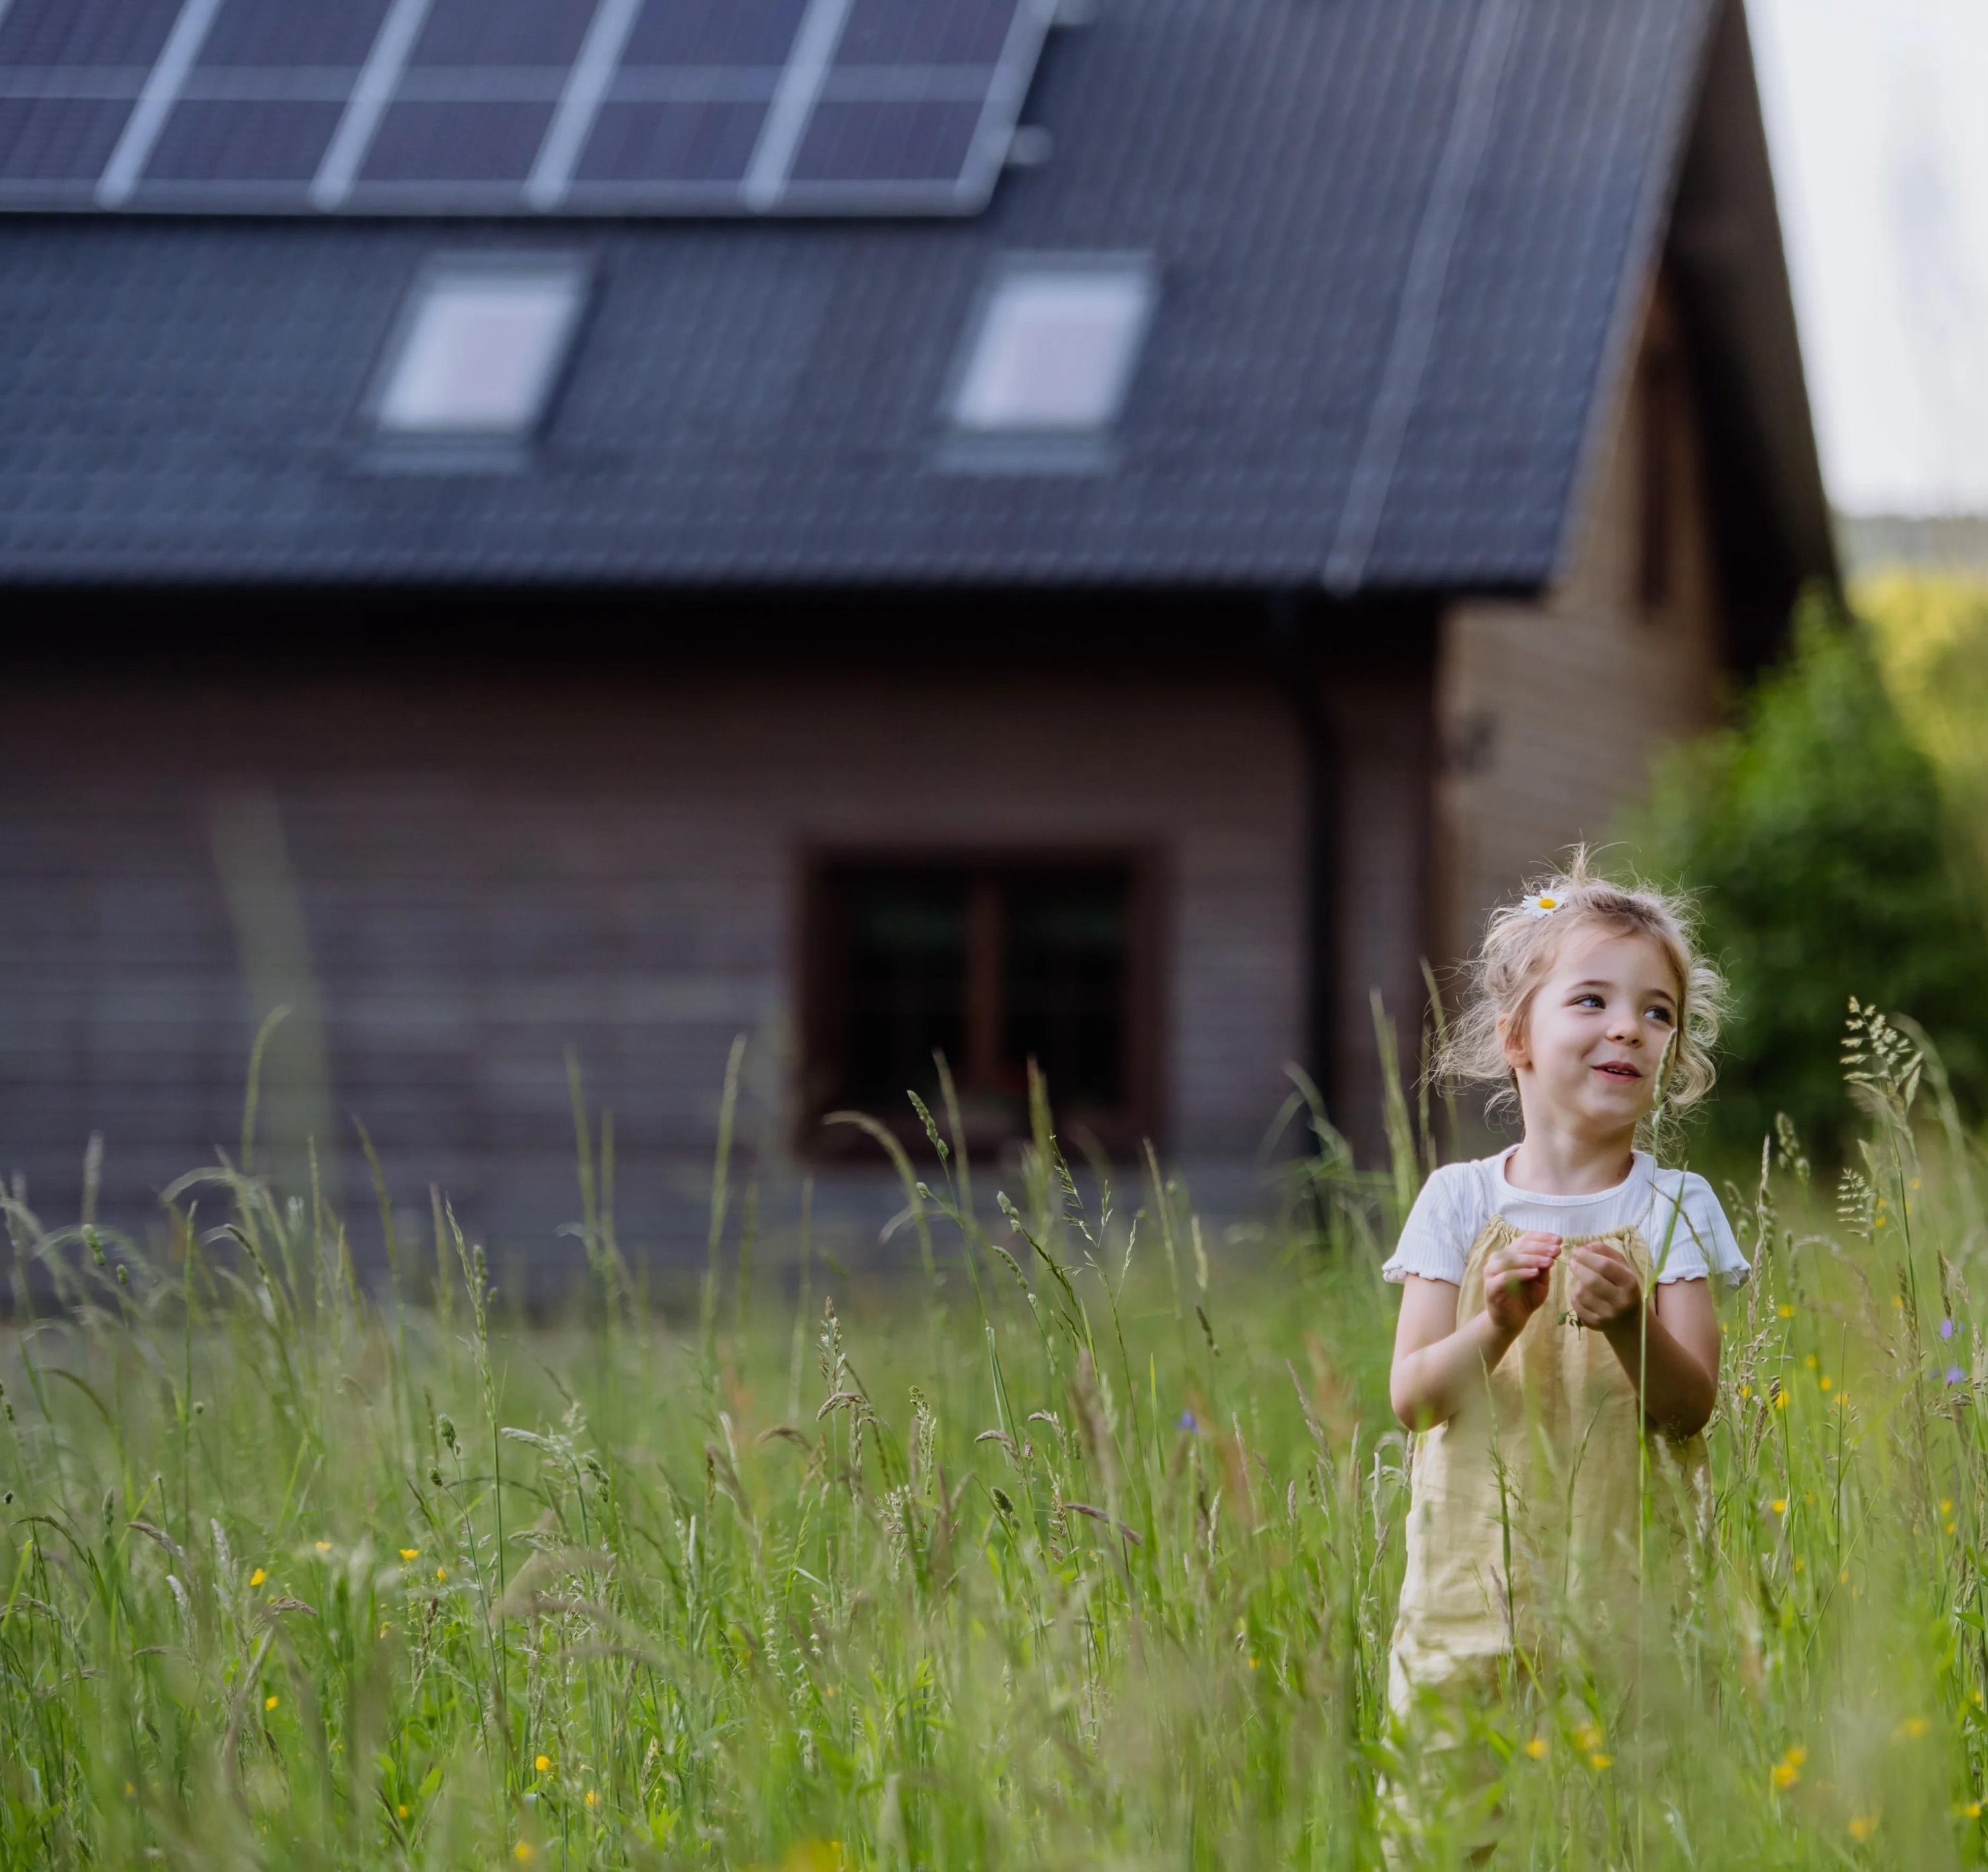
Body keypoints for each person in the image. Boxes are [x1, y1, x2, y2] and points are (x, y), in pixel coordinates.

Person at [1380, 851, 1749, 1772]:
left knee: (1618, 1815)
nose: (1629, 1026)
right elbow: (1415, 1399)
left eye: (1657, 1011)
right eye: (1592, 1000)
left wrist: (1630, 1326)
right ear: (1518, 1037)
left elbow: (1691, 1406)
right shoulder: (1457, 1200)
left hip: (1633, 1601)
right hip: (1472, 1596)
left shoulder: (1677, 1205)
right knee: (1454, 1808)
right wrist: (1496, 1322)